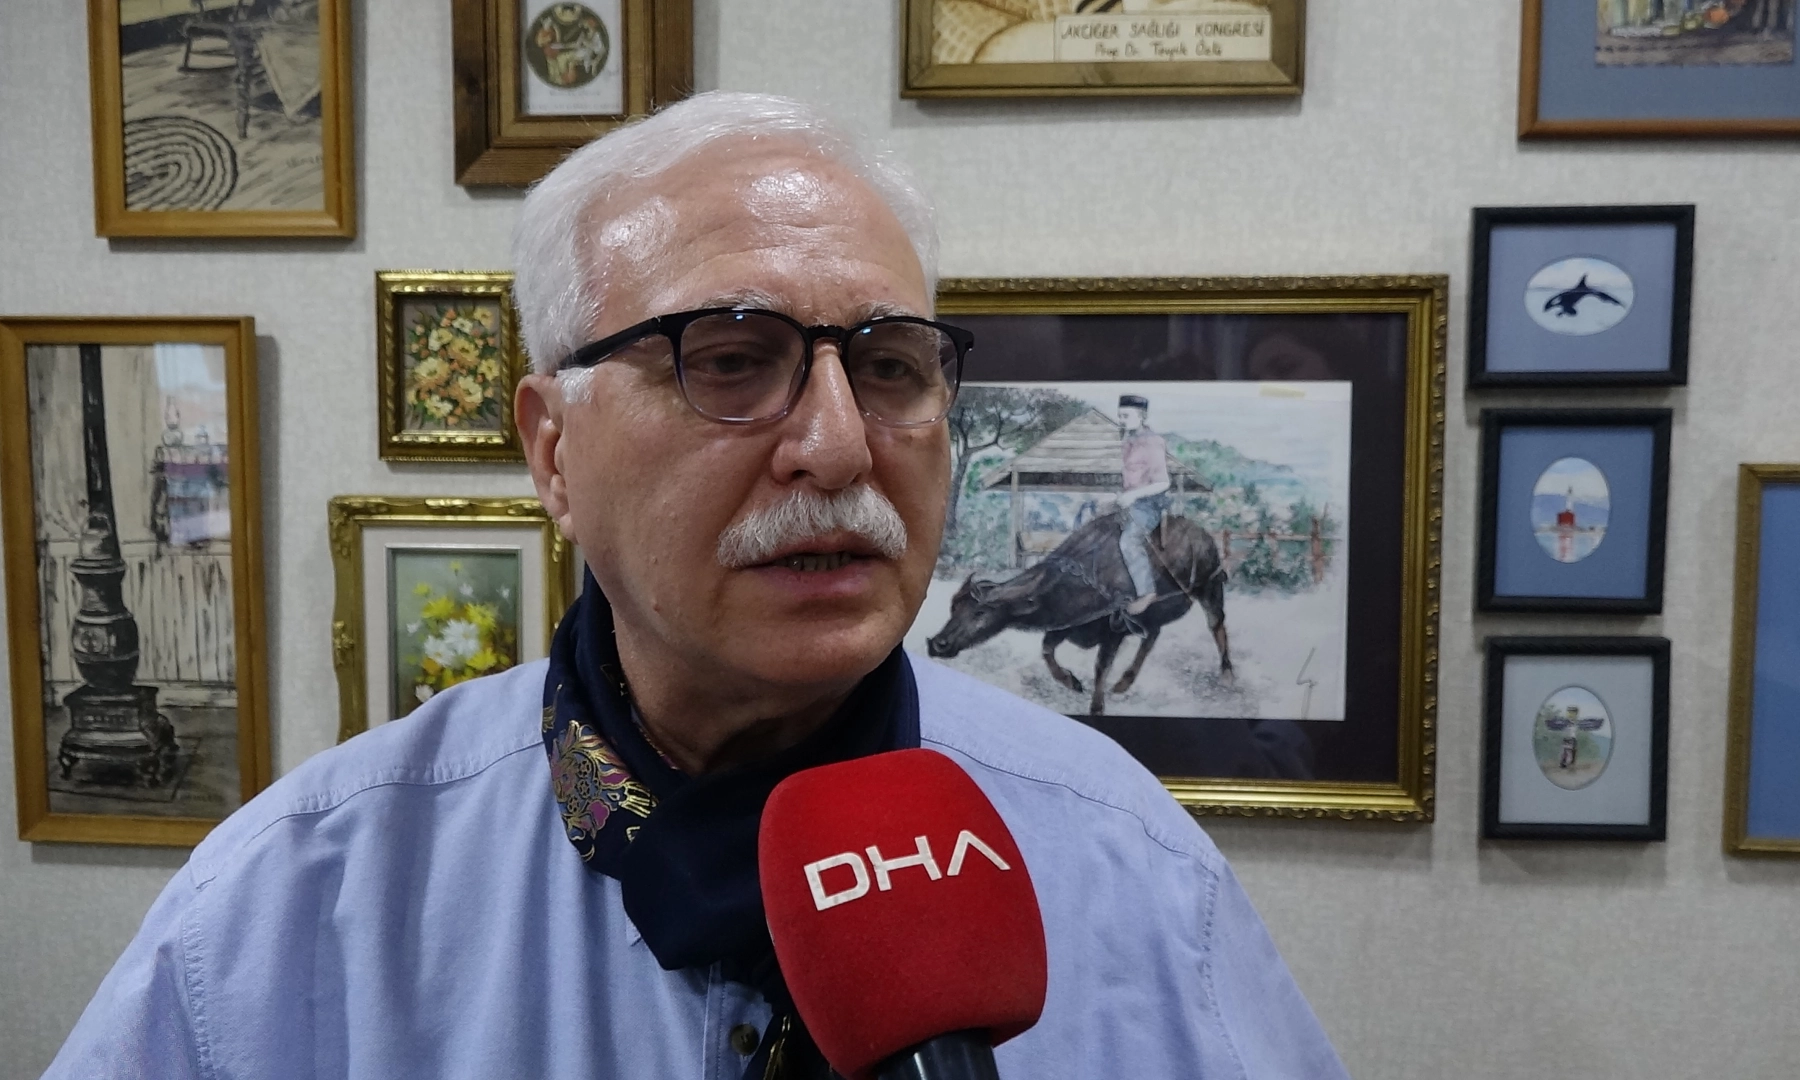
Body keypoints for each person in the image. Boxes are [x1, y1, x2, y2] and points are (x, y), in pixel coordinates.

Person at [42, 93, 1346, 1080]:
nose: (839, 446)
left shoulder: (1129, 866)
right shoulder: (292, 911)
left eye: (890, 367)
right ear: (554, 451)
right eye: (729, 358)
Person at [1115, 394, 1172, 615]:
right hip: (1129, 503)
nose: (1121, 420)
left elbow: (1163, 483)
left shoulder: (1152, 442)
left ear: (1142, 416)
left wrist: (1133, 496)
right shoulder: (1128, 442)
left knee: (1128, 542)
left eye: (1126, 416)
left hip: (1149, 505)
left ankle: (1146, 592)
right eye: (1120, 416)